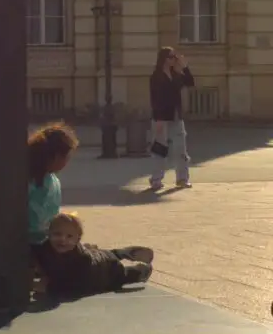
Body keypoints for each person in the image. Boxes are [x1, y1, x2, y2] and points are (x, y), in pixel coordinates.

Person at [32, 212, 154, 298]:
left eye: (69, 236)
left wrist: (49, 288)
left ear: (77, 240)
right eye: (57, 234)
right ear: (48, 234)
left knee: (122, 275)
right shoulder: (45, 248)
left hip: (105, 272)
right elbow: (34, 257)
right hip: (96, 256)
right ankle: (122, 253)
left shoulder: (81, 261)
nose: (62, 239)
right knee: (104, 253)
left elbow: (75, 288)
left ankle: (141, 271)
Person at [149, 46, 195, 191]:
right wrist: (159, 119)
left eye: (175, 57)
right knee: (160, 150)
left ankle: (182, 179)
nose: (174, 60)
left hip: (176, 116)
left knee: (181, 149)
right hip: (162, 117)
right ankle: (156, 180)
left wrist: (185, 67)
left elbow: (190, 82)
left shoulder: (176, 75)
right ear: (163, 59)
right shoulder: (156, 77)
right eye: (171, 57)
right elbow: (155, 99)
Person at [28, 122, 79, 247]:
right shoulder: (30, 181)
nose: (67, 163)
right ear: (56, 156)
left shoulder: (52, 180)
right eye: (66, 158)